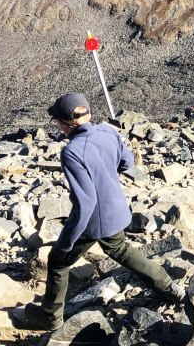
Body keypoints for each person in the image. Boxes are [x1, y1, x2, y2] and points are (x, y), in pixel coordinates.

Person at [20, 93, 184, 331]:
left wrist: (66, 241)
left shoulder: (72, 151)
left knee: (58, 262)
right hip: (116, 210)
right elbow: (127, 163)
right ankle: (168, 286)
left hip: (93, 221)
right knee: (121, 249)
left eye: (57, 121)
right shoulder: (108, 131)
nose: (57, 125)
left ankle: (50, 317)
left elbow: (85, 203)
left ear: (66, 124)